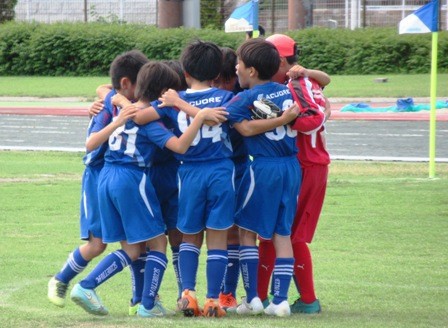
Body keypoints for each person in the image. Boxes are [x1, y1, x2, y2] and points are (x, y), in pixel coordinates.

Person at [69, 60, 227, 318]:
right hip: (134, 179)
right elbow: (179, 146)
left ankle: (131, 298)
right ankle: (143, 303)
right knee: (157, 243)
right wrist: (198, 117)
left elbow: (104, 98)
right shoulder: (151, 121)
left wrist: (115, 105)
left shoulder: (122, 108)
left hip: (107, 177)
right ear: (164, 92)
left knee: (133, 248)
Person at [47, 49, 149, 308]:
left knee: (135, 241)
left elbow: (105, 87)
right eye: (142, 85)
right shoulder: (108, 109)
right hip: (97, 179)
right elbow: (91, 145)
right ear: (127, 84)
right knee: (97, 244)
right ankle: (61, 279)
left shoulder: (121, 101)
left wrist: (110, 95)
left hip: (119, 178)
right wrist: (111, 107)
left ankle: (138, 300)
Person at [225, 38, 302, 317]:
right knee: (283, 233)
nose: (236, 68)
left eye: (239, 64)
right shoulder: (288, 92)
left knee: (246, 230)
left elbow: (243, 129)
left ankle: (253, 298)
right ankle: (280, 300)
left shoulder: (245, 98)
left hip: (263, 168)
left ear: (252, 71)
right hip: (291, 167)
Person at [256, 33, 332, 314]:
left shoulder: (295, 83)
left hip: (303, 166)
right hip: (309, 165)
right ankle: (280, 298)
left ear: (280, 61)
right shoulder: (302, 80)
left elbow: (311, 119)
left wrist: (273, 116)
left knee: (281, 233)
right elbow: (324, 82)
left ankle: (268, 298)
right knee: (282, 232)